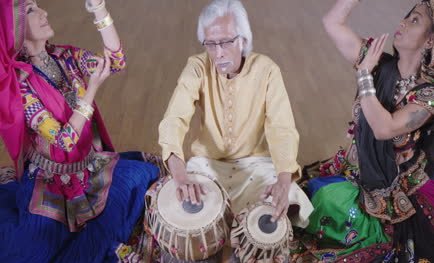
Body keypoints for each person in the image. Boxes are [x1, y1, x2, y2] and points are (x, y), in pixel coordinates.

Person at [292, 0, 434, 262]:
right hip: (355, 170)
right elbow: (332, 23)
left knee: (323, 201)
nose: (403, 23)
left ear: (431, 41)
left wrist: (364, 75)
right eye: (406, 18)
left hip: (392, 187)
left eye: (415, 21)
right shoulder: (379, 64)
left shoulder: (430, 95)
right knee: (313, 196)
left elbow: (383, 128)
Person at [0, 0, 161, 262]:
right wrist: (92, 89)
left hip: (89, 165)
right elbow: (64, 139)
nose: (44, 12)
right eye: (31, 10)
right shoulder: (21, 87)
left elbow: (116, 62)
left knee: (141, 175)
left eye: (39, 6)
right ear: (14, 28)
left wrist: (99, 9)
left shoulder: (65, 56)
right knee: (32, 250)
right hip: (51, 180)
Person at [158, 0, 313, 261]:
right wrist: (179, 173)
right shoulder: (197, 66)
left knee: (280, 206)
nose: (218, 53)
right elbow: (174, 119)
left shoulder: (267, 70)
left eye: (227, 42)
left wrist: (284, 180)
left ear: (244, 40)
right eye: (210, 43)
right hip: (207, 165)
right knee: (180, 206)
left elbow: (282, 128)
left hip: (255, 166)